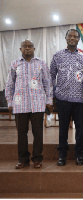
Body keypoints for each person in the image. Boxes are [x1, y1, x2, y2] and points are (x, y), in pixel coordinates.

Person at [5, 39, 52, 169]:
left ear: (34, 49)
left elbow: (47, 83)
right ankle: (23, 159)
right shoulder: (14, 64)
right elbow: (9, 85)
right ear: (20, 49)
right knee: (21, 133)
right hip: (20, 105)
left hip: (37, 104)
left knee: (38, 133)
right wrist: (10, 102)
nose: (27, 48)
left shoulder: (41, 63)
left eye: (30, 46)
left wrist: (49, 101)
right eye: (24, 46)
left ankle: (37, 159)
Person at [50, 29, 83, 166]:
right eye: (70, 36)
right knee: (63, 128)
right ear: (66, 38)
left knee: (80, 128)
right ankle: (62, 155)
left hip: (80, 99)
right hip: (63, 99)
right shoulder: (57, 56)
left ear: (79, 39)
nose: (72, 38)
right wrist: (54, 95)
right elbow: (51, 77)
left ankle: (79, 154)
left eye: (75, 36)